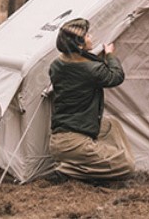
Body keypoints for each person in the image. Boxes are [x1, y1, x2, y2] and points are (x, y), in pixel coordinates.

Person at [48, 18, 136, 181]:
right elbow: (115, 76)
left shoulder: (56, 64)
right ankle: (67, 170)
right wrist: (109, 55)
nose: (91, 37)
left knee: (111, 125)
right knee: (127, 167)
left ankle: (93, 160)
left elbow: (83, 67)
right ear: (79, 45)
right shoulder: (90, 69)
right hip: (73, 142)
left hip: (61, 137)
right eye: (88, 35)